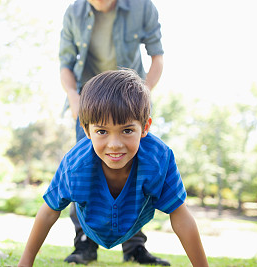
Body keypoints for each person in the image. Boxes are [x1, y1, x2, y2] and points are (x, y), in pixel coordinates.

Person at [18, 69, 208, 267]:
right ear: (87, 130)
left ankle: (135, 249)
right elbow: (49, 211)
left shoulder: (158, 159)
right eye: (102, 131)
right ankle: (85, 245)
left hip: (135, 218)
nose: (115, 144)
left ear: (145, 127)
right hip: (91, 221)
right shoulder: (74, 166)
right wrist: (25, 263)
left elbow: (180, 215)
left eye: (127, 130)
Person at [59, 0, 166, 264]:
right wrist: (74, 97)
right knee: (84, 170)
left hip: (128, 103)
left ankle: (134, 246)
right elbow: (66, 63)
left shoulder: (143, 7)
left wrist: (142, 95)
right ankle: (84, 243)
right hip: (92, 106)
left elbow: (157, 58)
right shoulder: (74, 13)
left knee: (135, 168)